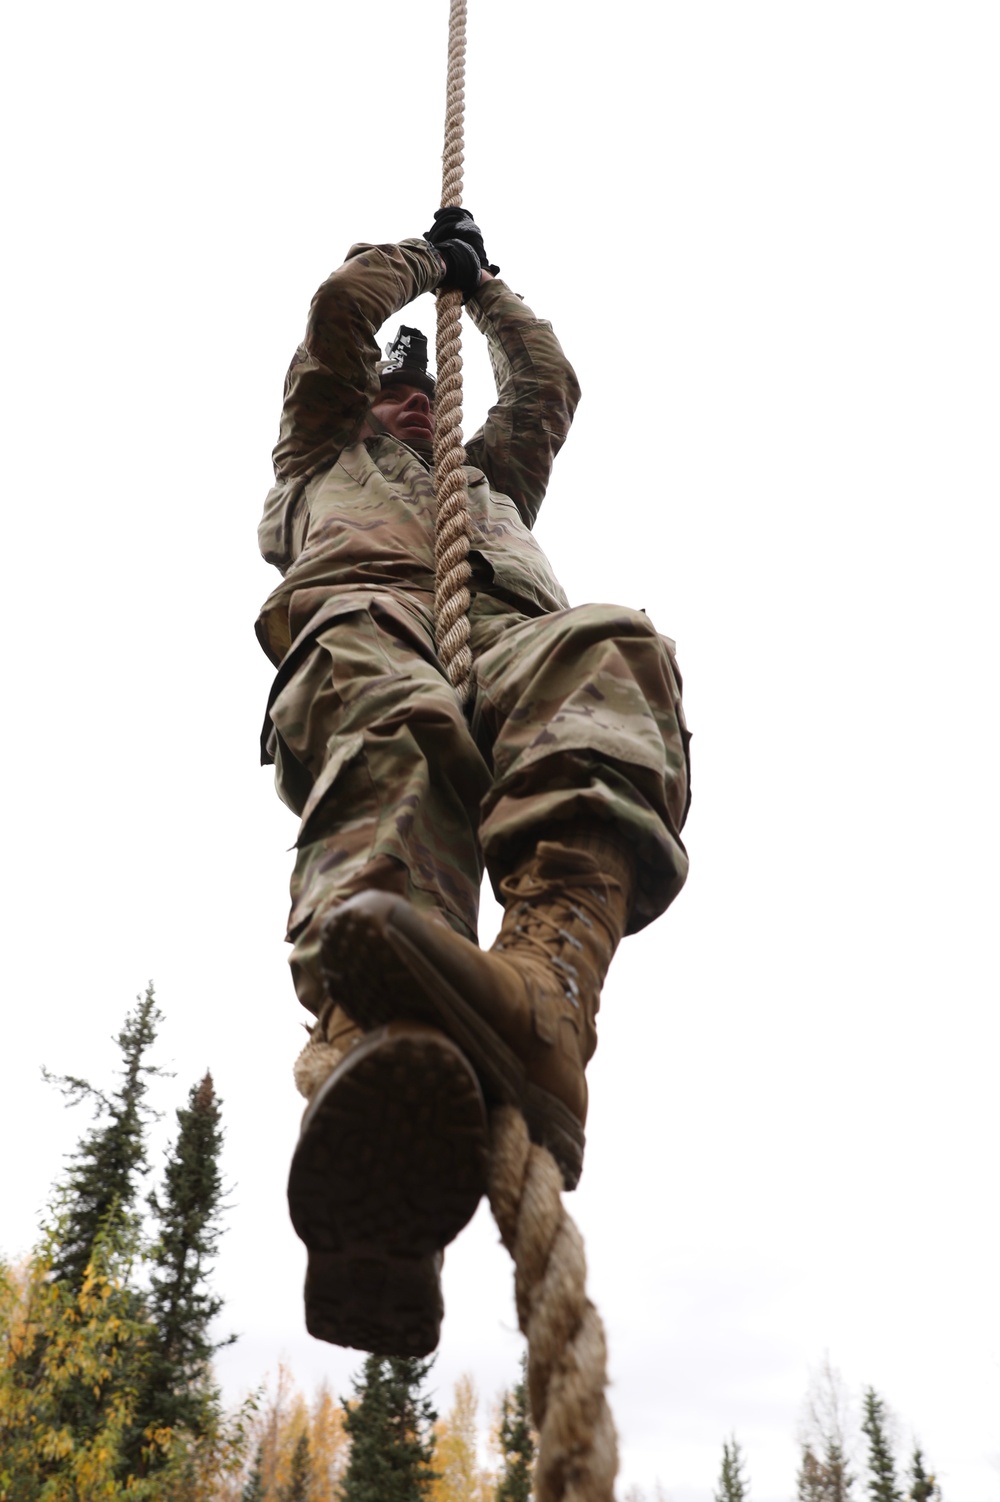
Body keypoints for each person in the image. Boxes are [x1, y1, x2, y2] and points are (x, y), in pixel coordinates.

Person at [256, 211, 691, 1357]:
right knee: (392, 725)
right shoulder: (320, 454)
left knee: (616, 647)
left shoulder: (486, 487)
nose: (414, 399)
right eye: (394, 389)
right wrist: (417, 266)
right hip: (381, 618)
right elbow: (342, 316)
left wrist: (486, 289)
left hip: (509, 642)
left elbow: (548, 383)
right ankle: (375, 1148)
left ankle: (549, 995)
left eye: (426, 392)